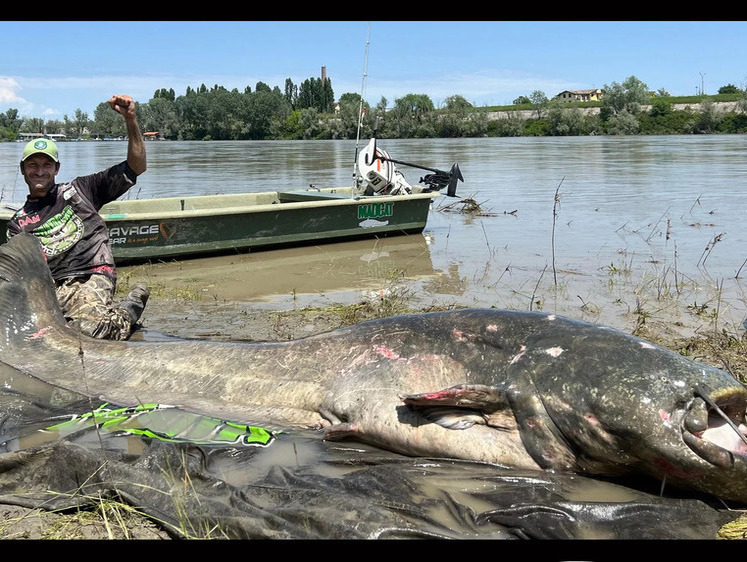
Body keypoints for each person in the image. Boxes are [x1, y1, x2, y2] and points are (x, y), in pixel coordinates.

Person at [7, 94, 149, 340]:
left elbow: (136, 166)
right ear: (23, 169)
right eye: (33, 165)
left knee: (90, 332)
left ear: (56, 168)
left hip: (91, 274)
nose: (39, 171)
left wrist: (130, 119)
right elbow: (22, 276)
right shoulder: (17, 224)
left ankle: (129, 310)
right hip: (52, 289)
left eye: (46, 165)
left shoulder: (81, 190)